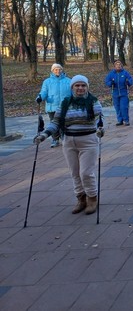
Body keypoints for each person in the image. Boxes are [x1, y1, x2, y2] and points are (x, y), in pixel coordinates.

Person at [34, 75, 104, 215]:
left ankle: (92, 198)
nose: (80, 88)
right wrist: (44, 135)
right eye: (77, 85)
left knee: (85, 173)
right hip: (69, 141)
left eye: (83, 85)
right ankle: (81, 198)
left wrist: (101, 129)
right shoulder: (65, 102)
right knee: (74, 172)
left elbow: (100, 120)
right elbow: (56, 122)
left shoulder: (93, 101)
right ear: (72, 87)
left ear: (87, 87)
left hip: (88, 141)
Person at [36, 63, 71, 148]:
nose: (58, 71)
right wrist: (40, 97)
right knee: (53, 123)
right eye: (56, 69)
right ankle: (55, 139)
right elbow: (44, 92)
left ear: (62, 70)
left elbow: (72, 92)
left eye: (59, 69)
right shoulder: (47, 81)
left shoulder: (68, 80)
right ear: (52, 71)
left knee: (64, 122)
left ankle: (64, 138)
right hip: (52, 105)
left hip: (65, 106)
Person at [104, 60, 133, 126]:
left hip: (124, 93)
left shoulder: (125, 73)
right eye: (117, 65)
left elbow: (130, 80)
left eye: (119, 65)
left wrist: (128, 82)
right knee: (117, 108)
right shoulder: (111, 74)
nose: (118, 66)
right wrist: (110, 83)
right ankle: (120, 120)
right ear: (114, 66)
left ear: (121, 66)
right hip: (115, 93)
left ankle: (126, 120)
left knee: (124, 107)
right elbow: (107, 81)